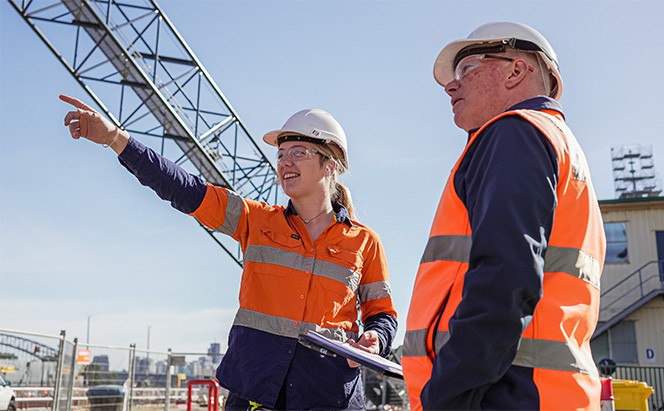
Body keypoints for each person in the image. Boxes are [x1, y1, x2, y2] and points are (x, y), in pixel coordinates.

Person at [59, 95, 398, 410]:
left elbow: (383, 314)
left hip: (328, 396)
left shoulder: (365, 242)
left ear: (331, 164)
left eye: (299, 152)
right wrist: (116, 139)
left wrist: (375, 339)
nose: (285, 162)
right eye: (281, 154)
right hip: (254, 392)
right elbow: (183, 188)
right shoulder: (255, 219)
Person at [402, 22, 606, 410]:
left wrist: (447, 396)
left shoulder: (515, 133)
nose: (450, 85)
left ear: (515, 70)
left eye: (467, 69)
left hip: (505, 395)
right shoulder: (558, 145)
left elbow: (506, 278)